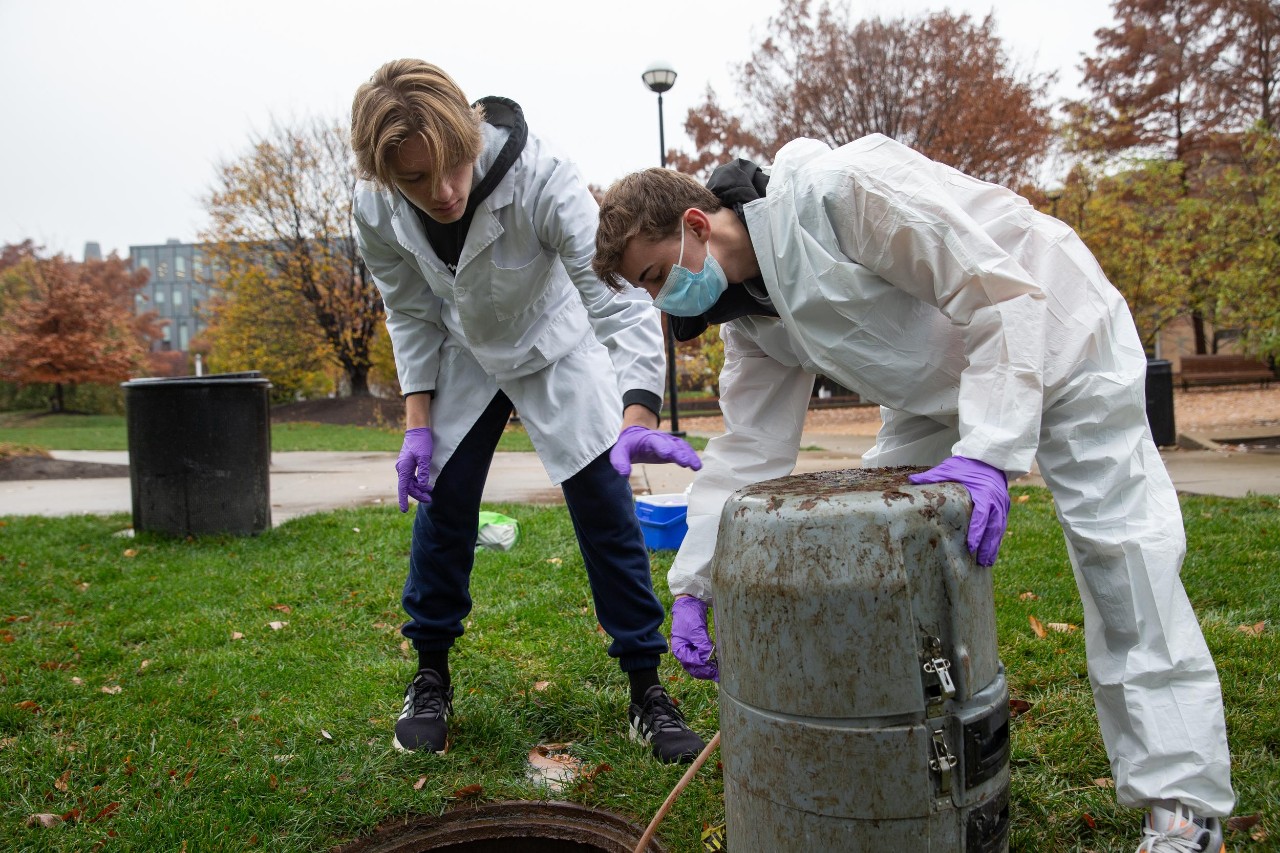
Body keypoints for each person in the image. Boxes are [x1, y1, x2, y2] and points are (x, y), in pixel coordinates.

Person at [592, 134, 1234, 850]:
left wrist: (990, 452)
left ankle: (1183, 805)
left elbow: (998, 290)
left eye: (653, 276)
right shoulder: (752, 319)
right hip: (939, 391)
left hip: (1060, 332)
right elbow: (748, 448)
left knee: (1122, 559)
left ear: (695, 224)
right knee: (881, 541)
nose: (660, 301)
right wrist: (696, 582)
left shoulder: (837, 191)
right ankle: (908, 754)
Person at [349, 59, 707, 764]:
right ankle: (430, 675)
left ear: (467, 133)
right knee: (443, 505)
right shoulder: (375, 207)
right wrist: (417, 423)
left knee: (605, 505)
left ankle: (646, 688)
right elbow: (410, 311)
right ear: (387, 176)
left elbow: (615, 300)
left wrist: (637, 415)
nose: (442, 191)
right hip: (463, 357)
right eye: (416, 180)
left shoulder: (543, 178)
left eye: (451, 165)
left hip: (553, 346)